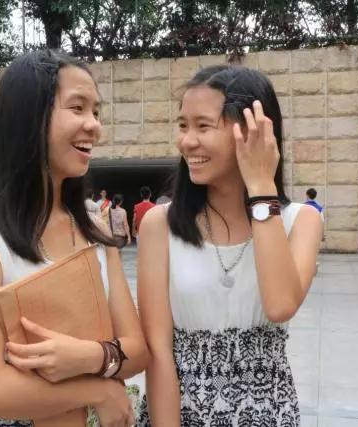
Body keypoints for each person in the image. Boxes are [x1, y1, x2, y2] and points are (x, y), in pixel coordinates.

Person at [0, 50, 148, 427]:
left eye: (96, 112)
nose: (94, 125)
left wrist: (87, 357)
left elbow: (137, 350)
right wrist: (98, 390)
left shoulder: (94, 231)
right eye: (78, 108)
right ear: (29, 117)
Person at [136, 65, 323, 426]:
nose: (187, 141)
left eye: (203, 126)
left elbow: (280, 305)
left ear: (253, 131)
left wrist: (261, 185)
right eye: (183, 125)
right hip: (179, 413)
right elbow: (158, 352)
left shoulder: (301, 221)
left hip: (266, 413)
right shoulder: (160, 225)